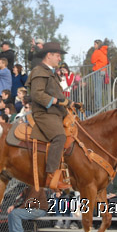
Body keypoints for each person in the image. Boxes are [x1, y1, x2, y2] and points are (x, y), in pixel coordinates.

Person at [26, 42, 80, 190]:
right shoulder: (39, 71)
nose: (59, 59)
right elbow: (37, 94)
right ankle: (51, 175)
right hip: (44, 113)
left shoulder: (50, 72)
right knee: (60, 137)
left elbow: (59, 96)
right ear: (48, 55)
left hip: (56, 112)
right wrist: (57, 101)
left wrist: (71, 103)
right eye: (57, 55)